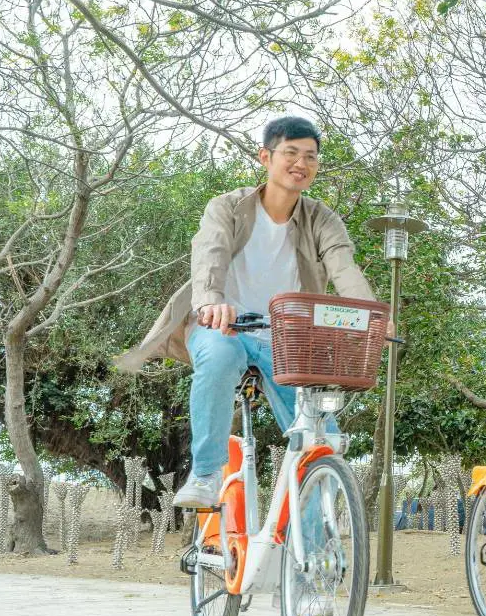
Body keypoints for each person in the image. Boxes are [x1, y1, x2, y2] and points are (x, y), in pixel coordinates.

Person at [117, 116, 375, 509]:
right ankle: (206, 474)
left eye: (310, 156)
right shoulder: (227, 206)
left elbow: (344, 267)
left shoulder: (321, 218)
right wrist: (209, 302)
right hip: (224, 326)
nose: (300, 164)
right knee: (219, 358)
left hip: (286, 338)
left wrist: (370, 313)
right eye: (290, 153)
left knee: (320, 439)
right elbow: (210, 255)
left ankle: (310, 555)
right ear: (265, 157)